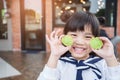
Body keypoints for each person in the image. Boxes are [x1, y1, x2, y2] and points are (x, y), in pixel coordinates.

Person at [37, 11, 120, 80]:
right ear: (65, 37)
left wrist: (110, 58)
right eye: (73, 35)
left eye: (87, 37)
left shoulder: (103, 65)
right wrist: (54, 56)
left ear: (96, 40)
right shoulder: (59, 65)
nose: (80, 42)